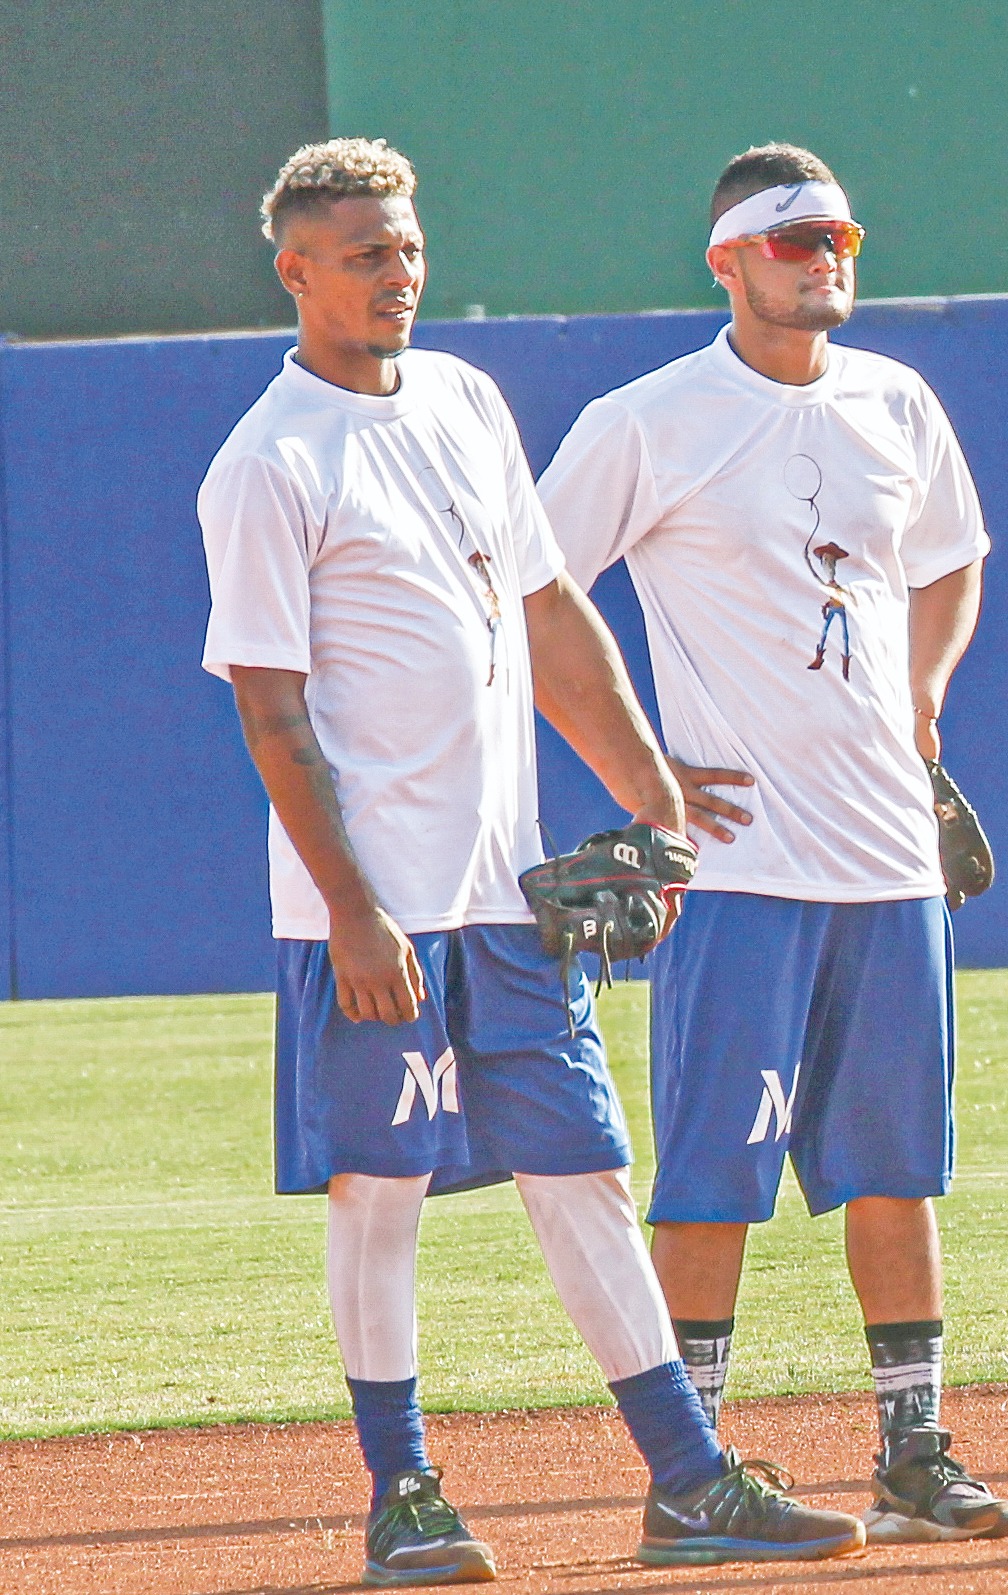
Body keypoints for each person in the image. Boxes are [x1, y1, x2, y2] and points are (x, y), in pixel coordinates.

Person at [199, 138, 864, 1584]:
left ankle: (690, 1481)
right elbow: (269, 705)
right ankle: (405, 1494)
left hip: (507, 893)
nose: (398, 273)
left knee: (584, 1170)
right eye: (364, 253)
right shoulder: (269, 461)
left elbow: (552, 605)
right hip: (374, 912)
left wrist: (650, 784)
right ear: (296, 270)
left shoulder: (464, 400)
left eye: (409, 245)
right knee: (377, 1190)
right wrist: (356, 914)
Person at [536, 142, 1008, 1544]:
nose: (828, 259)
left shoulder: (896, 402)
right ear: (730, 261)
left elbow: (952, 556)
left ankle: (913, 1448)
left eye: (841, 239)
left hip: (887, 854)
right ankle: (689, 1470)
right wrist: (642, 774)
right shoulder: (652, 419)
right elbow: (526, 593)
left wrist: (925, 691)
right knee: (711, 1173)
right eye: (798, 240)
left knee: (896, 1165)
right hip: (739, 865)